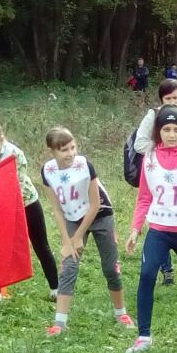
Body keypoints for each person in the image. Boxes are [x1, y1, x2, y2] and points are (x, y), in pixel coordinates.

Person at [125, 105, 177, 353]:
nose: (171, 135)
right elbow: (144, 197)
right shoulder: (150, 158)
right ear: (158, 131)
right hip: (158, 230)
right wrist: (135, 229)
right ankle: (143, 336)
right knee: (146, 276)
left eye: (176, 130)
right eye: (166, 129)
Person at [40, 126, 133, 336]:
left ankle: (121, 313)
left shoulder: (84, 166)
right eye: (64, 150)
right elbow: (56, 209)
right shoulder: (47, 171)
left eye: (73, 147)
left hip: (100, 214)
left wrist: (78, 237)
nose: (70, 153)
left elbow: (95, 205)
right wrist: (68, 241)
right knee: (68, 266)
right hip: (72, 217)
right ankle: (60, 323)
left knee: (110, 267)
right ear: (51, 151)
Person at [0, 118, 60, 301]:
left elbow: (14, 184)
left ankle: (56, 289)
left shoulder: (14, 154)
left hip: (26, 203)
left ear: (1, 139)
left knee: (41, 245)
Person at [133, 79, 177, 286]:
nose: (172, 102)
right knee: (161, 222)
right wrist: (161, 151)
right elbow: (139, 143)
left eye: (175, 98)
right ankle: (166, 269)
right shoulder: (154, 116)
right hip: (160, 174)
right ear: (161, 100)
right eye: (168, 99)